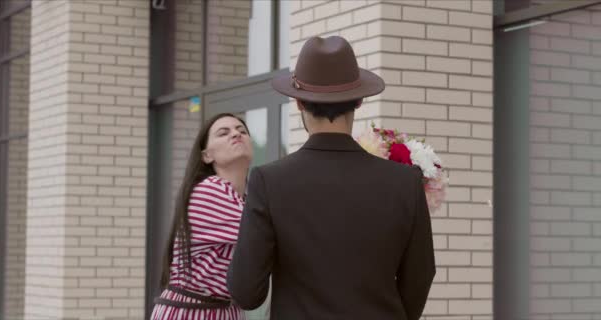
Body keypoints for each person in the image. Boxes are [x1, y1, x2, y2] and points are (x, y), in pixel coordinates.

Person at [227, 36, 436, 320]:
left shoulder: (269, 181)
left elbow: (246, 291)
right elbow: (421, 275)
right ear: (359, 100)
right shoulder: (405, 181)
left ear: (299, 102)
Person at [151, 113, 252, 320]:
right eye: (223, 133)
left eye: (242, 131)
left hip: (224, 310)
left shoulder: (248, 200)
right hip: (191, 312)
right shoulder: (209, 191)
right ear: (207, 156)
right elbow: (270, 237)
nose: (236, 134)